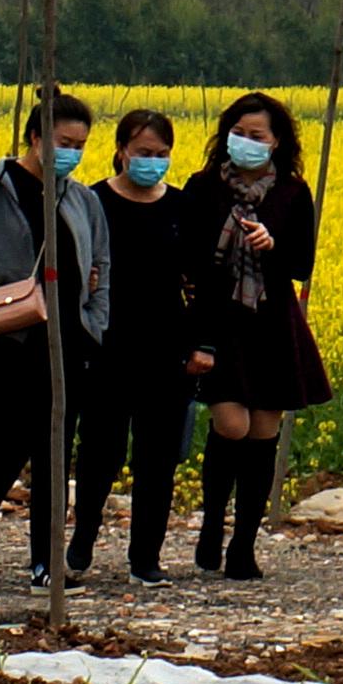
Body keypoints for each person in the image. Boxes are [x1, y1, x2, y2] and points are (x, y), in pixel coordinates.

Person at [0, 86, 110, 582]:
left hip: (67, 342)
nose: (72, 153)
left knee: (53, 450)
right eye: (64, 141)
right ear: (36, 136)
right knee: (6, 444)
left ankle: (45, 559)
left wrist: (94, 325)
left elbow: (101, 263)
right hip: (8, 338)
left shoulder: (81, 198)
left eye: (81, 145)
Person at [183, 89, 332, 580]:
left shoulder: (292, 193)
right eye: (239, 134)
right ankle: (210, 526)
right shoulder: (204, 188)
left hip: (271, 324)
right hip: (219, 321)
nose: (245, 142)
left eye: (257, 136)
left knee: (263, 432)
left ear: (277, 143)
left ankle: (242, 545)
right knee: (231, 425)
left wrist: (271, 244)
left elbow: (300, 264)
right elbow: (192, 261)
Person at [72, 106, 209, 581]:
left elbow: (200, 282)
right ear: (121, 151)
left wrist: (201, 345)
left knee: (158, 458)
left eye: (162, 153)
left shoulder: (180, 208)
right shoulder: (92, 202)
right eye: (144, 152)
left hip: (166, 348)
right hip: (107, 347)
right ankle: (81, 545)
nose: (153, 161)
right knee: (99, 454)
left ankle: (145, 558)